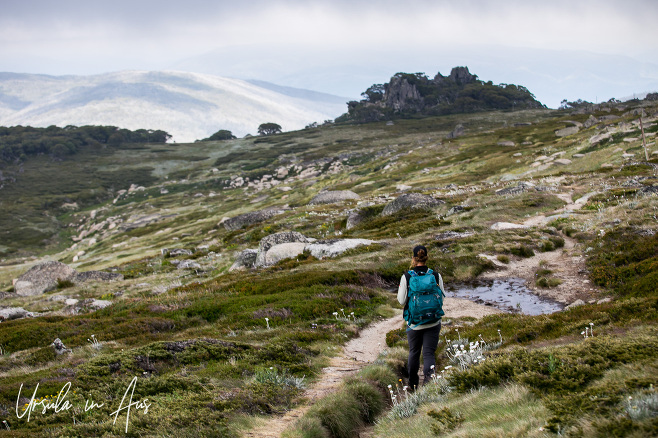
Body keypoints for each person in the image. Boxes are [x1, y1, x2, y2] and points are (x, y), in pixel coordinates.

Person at [397, 245, 444, 390]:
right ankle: (429, 384)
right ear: (426, 257)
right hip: (433, 321)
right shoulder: (435, 275)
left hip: (414, 323)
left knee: (414, 353)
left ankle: (413, 384)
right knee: (429, 353)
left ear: (413, 258)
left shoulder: (407, 277)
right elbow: (441, 298)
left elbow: (401, 300)